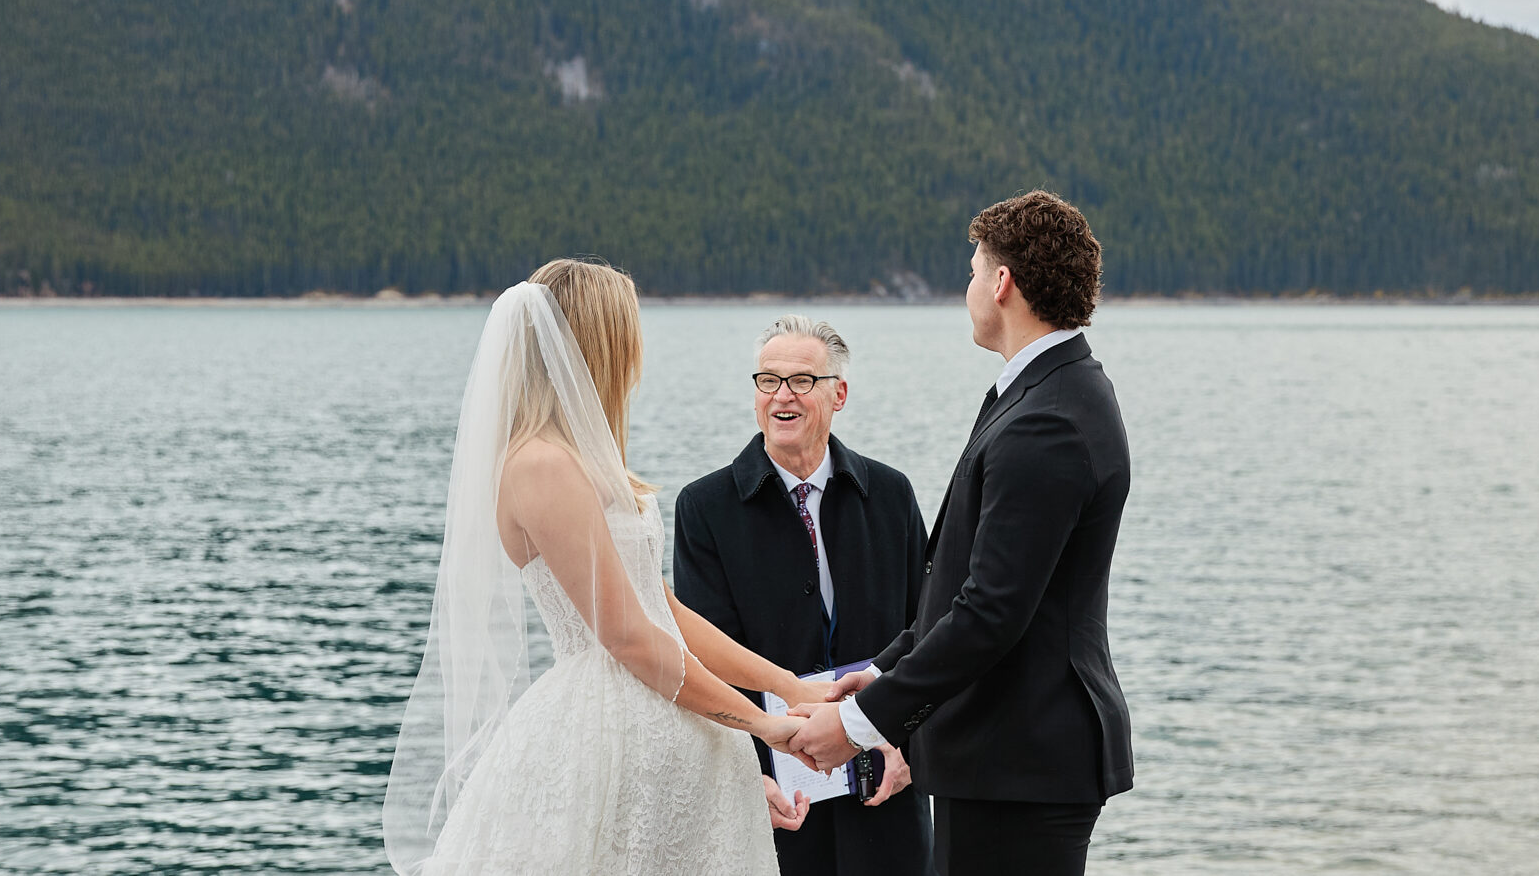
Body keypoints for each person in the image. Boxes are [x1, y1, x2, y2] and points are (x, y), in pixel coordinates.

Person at [384, 259, 833, 875]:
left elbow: (664, 610)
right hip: (604, 736)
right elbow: (625, 635)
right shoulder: (539, 465)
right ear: (597, 343)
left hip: (662, 723)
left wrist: (789, 688)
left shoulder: (585, 459)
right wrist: (760, 723)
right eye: (628, 332)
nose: (637, 354)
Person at [789, 192, 1134, 876]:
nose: (969, 287)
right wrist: (878, 671)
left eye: (974, 270)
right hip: (1004, 757)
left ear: (1001, 283)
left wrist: (862, 724)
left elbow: (992, 612)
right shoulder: (1043, 393)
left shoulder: (1050, 419)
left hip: (1024, 762)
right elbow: (962, 593)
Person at [673, 316, 935, 876]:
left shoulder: (891, 494)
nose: (782, 396)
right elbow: (702, 659)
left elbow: (932, 633)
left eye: (801, 381)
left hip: (884, 786)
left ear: (838, 394)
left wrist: (914, 755)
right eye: (768, 381)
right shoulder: (705, 508)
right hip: (772, 802)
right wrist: (748, 777)